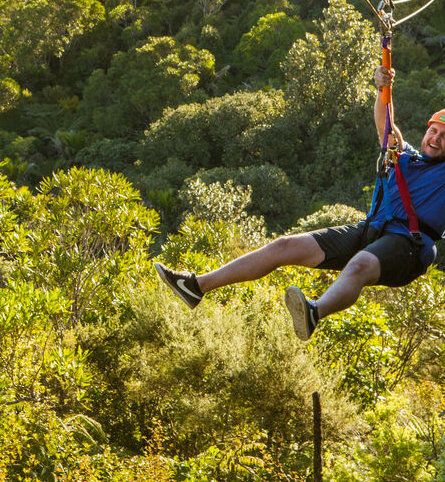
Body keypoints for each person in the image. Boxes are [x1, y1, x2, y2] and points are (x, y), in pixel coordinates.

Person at [155, 62, 444, 341]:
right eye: (433, 131)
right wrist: (383, 88)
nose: (436, 138)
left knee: (359, 265)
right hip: (373, 229)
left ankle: (314, 312)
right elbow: (386, 124)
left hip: (410, 245)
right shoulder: (404, 156)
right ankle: (196, 286)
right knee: (285, 246)